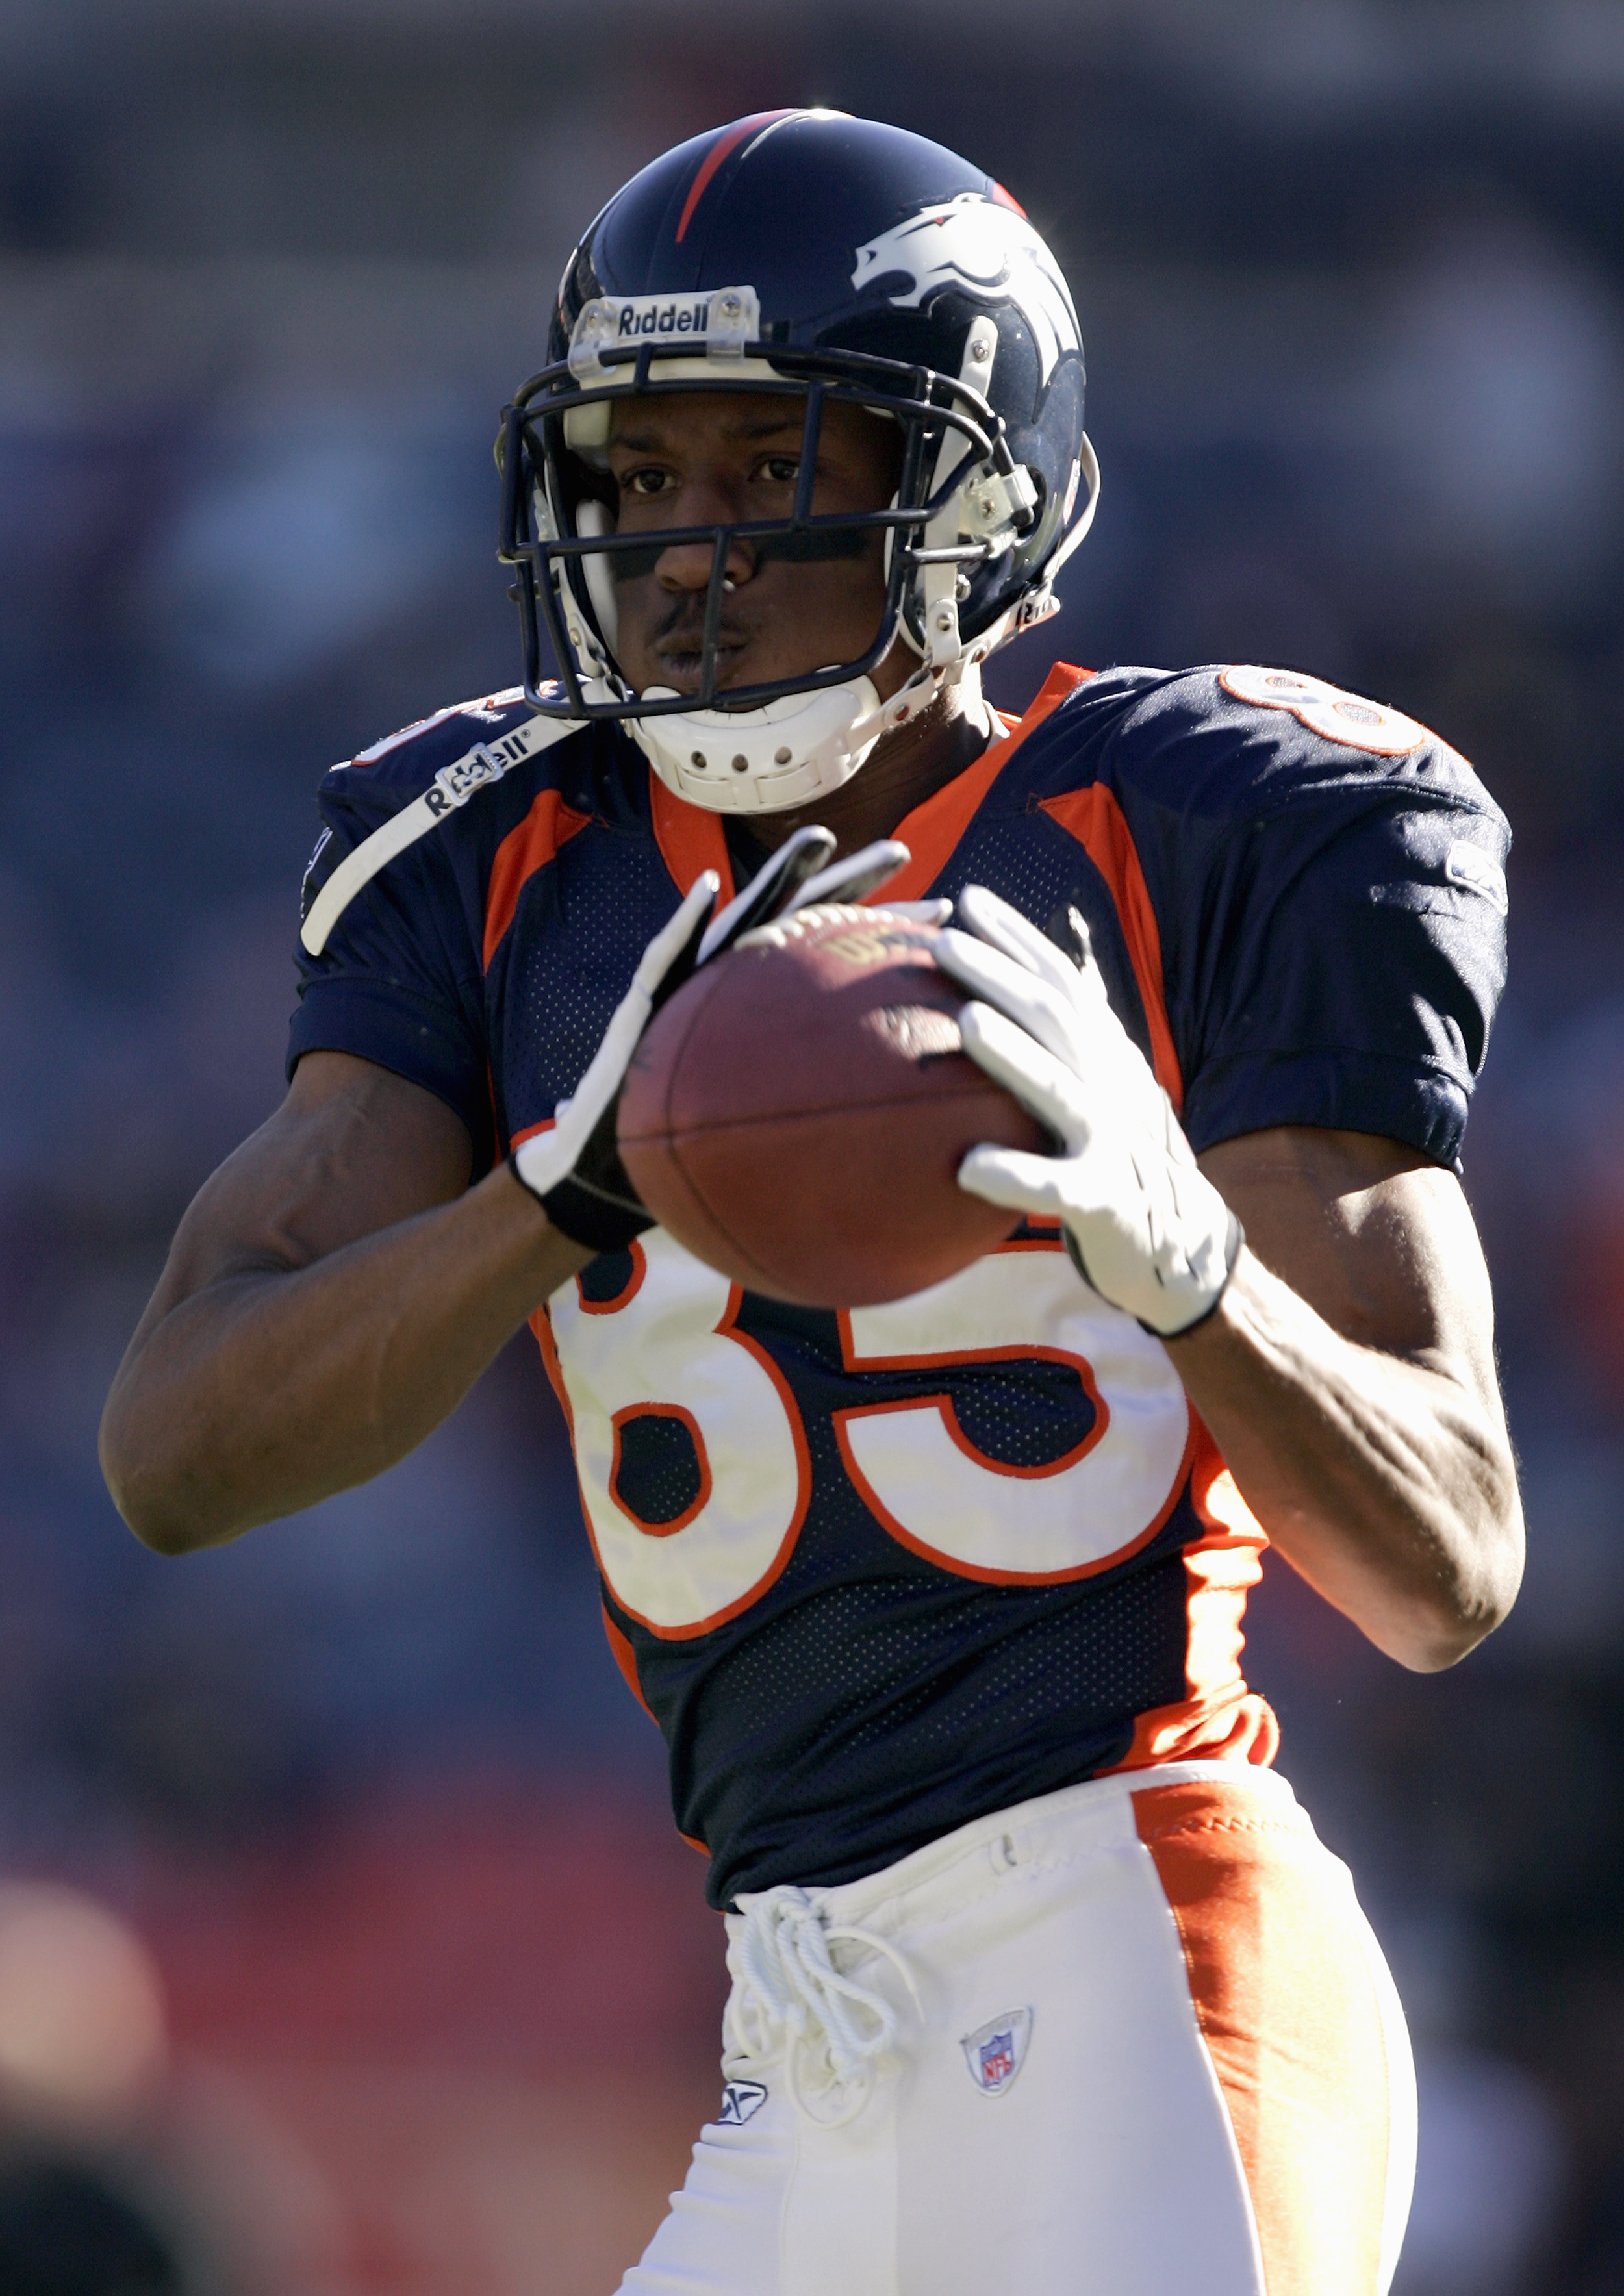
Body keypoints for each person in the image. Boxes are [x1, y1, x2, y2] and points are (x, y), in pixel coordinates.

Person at [99, 110, 1523, 2295]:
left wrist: (1190, 1260)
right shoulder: (492, 854)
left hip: (1141, 1948)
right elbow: (178, 1455)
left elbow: (1445, 1565)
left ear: (971, 487)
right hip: (802, 2037)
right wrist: (552, 1197)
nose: (688, 550)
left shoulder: (1223, 816)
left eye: (770, 468)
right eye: (640, 478)